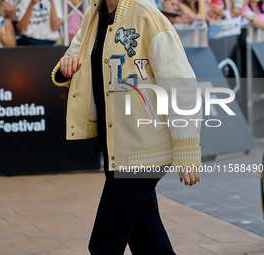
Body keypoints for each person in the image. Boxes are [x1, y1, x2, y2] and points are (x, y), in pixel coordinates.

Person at [51, 0, 202, 253]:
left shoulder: (146, 15)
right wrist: (66, 68)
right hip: (117, 147)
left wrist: (188, 149)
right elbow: (72, 60)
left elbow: (181, 85)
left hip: (143, 149)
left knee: (105, 243)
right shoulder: (93, 14)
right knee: (148, 240)